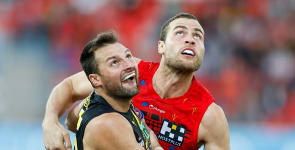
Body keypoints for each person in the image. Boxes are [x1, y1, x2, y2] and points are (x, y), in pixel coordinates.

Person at [42, 12, 230, 150]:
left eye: (198, 36)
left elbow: (143, 129)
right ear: (161, 46)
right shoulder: (129, 73)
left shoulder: (210, 115)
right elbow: (70, 86)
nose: (190, 40)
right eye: (180, 33)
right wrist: (50, 121)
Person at [51, 31, 162, 150]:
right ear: (96, 79)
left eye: (128, 56)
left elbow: (70, 121)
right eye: (114, 63)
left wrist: (156, 147)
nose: (129, 65)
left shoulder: (102, 101)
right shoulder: (108, 124)